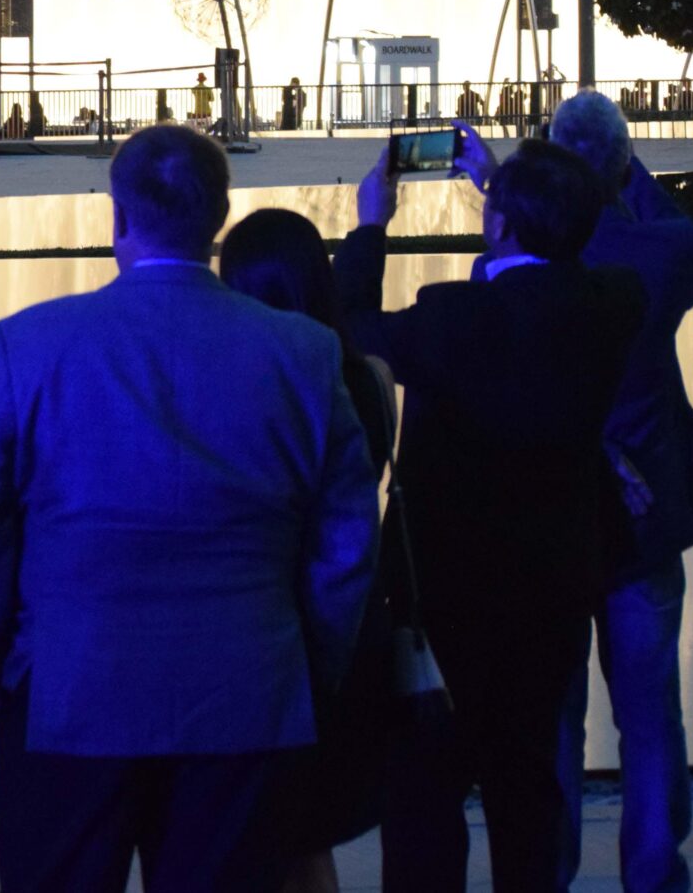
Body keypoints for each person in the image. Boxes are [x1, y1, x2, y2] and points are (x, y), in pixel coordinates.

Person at [0, 125, 379, 893]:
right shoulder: (304, 352)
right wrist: (304, 661)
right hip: (246, 692)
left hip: (69, 687)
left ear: (118, 215)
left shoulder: (27, 345)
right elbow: (345, 540)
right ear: (219, 217)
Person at [340, 137, 639, 890]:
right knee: (528, 787)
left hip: (445, 593)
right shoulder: (611, 304)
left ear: (498, 223)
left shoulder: (452, 318)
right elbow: (563, 268)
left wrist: (371, 226)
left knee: (424, 795)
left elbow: (351, 328)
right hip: (556, 587)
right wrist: (515, 193)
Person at [217, 208, 397, 893]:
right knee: (306, 839)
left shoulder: (244, 390)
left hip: (258, 634)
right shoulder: (368, 377)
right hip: (347, 637)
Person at [543, 94, 693, 893]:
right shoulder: (657, 256)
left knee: (556, 716)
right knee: (649, 714)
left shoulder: (517, 264)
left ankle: (550, 867)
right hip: (644, 520)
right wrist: (630, 177)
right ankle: (653, 868)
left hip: (551, 520)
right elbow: (675, 227)